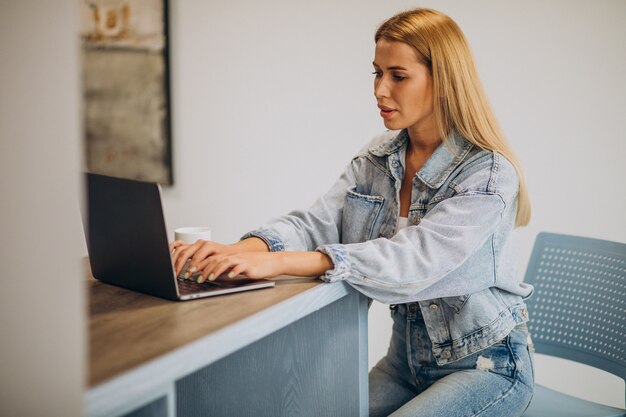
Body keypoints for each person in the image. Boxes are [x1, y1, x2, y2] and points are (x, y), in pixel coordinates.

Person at [170, 7, 535, 417]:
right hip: (405, 366)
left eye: (398, 76)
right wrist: (240, 250)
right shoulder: (379, 157)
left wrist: (278, 264)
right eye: (377, 73)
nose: (380, 90)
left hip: (487, 366)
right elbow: (317, 222)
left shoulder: (487, 173)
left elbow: (414, 259)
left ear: (444, 80)